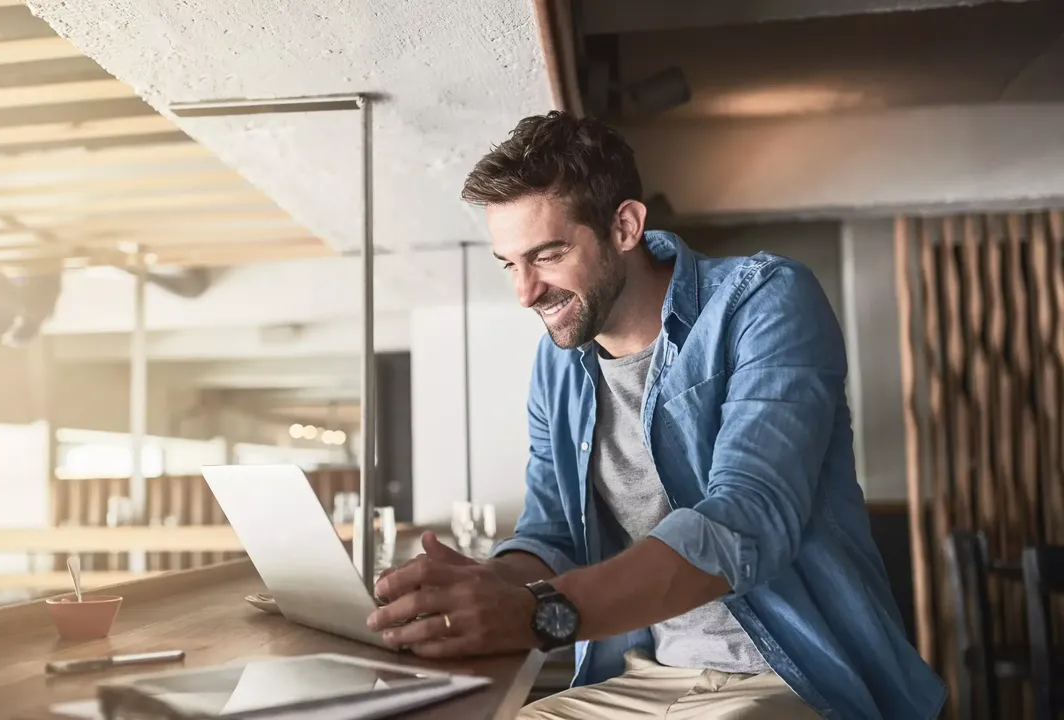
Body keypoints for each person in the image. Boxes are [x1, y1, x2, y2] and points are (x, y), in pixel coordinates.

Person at [365, 111, 946, 719]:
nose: (525, 292)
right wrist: (484, 584)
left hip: (793, 676)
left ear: (624, 226)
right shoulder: (557, 364)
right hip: (645, 676)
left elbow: (745, 519)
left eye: (548, 254)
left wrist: (537, 612)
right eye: (511, 264)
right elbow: (552, 535)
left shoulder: (766, 300)